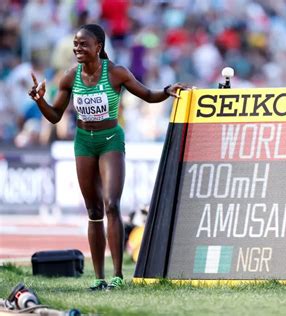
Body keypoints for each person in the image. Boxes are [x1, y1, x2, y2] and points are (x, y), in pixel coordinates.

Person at [28, 23, 189, 291]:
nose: (77, 48)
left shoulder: (116, 73)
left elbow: (148, 95)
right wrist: (40, 101)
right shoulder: (69, 77)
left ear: (98, 47)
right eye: (76, 44)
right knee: (94, 211)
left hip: (110, 140)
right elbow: (55, 116)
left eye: (83, 44)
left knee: (112, 204)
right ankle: (99, 277)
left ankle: (117, 275)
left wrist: (167, 90)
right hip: (84, 143)